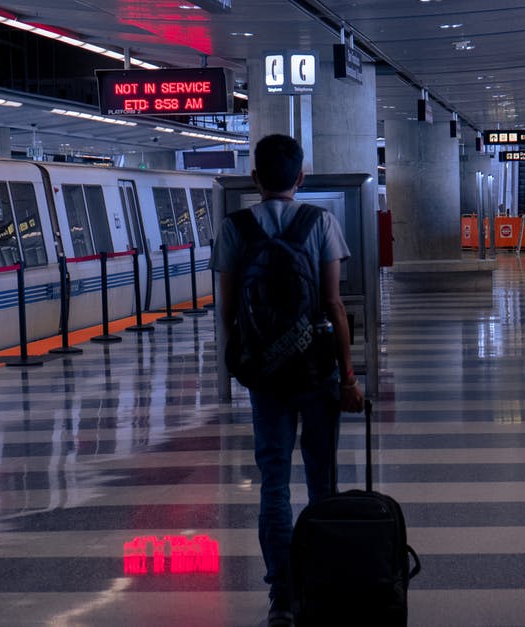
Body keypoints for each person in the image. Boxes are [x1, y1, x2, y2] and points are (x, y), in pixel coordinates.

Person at [210, 134, 364, 627]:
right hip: (318, 373)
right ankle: (320, 585)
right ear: (301, 177)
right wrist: (349, 376)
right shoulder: (320, 222)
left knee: (273, 484)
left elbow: (228, 311)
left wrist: (247, 359)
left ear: (254, 178)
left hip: (267, 379)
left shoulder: (235, 228)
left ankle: (282, 598)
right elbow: (334, 304)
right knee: (323, 483)